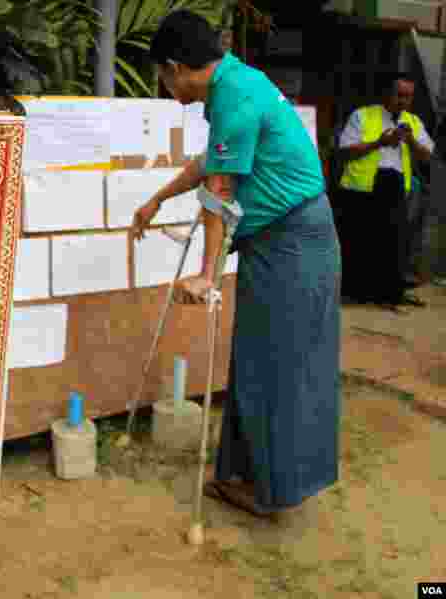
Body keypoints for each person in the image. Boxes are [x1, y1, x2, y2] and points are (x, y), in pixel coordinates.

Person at [131, 10, 341, 518]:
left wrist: (207, 275)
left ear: (177, 67)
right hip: (285, 238)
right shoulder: (236, 84)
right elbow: (214, 165)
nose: (164, 86)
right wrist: (158, 197)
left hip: (293, 242)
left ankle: (274, 489)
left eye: (162, 75)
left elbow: (218, 196)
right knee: (258, 359)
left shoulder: (235, 97)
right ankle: (248, 476)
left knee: (277, 365)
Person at [336, 73, 433, 312]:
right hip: (363, 188)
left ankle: (389, 294)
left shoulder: (413, 121)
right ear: (387, 94)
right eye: (399, 95)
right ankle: (356, 293)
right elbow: (345, 151)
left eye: (408, 96)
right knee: (360, 241)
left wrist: (410, 141)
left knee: (394, 243)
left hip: (395, 187)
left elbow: (427, 155)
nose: (403, 101)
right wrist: (378, 143)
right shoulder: (363, 115)